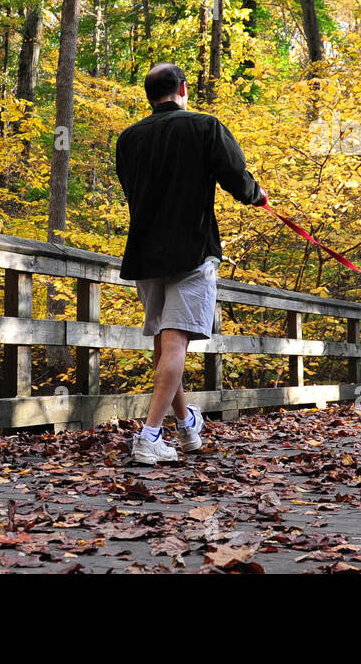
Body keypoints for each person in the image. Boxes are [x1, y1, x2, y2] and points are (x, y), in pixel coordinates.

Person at [115, 63, 267, 464]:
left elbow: (132, 189)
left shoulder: (128, 139)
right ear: (183, 88)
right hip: (191, 250)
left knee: (165, 345)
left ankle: (185, 428)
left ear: (149, 95)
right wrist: (257, 194)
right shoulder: (205, 127)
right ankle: (149, 436)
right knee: (177, 343)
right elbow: (236, 177)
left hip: (145, 253)